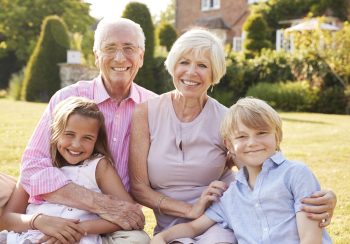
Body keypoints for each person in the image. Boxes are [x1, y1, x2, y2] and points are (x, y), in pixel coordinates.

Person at [129, 28, 337, 243]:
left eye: (202, 65)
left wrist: (325, 196)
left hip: (221, 219)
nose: (191, 72)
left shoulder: (226, 118)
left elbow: (266, 166)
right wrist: (189, 210)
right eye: (184, 62)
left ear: (214, 73)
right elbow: (139, 187)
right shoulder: (145, 112)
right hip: (176, 224)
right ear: (173, 65)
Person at [3, 17, 157, 243]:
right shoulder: (66, 99)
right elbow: (33, 166)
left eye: (129, 48)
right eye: (109, 48)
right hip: (53, 209)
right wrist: (99, 204)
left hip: (112, 220)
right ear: (96, 56)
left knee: (136, 240)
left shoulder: (154, 108)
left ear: (141, 57)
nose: (119, 57)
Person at [150, 97, 332, 244]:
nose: (252, 143)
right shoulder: (230, 195)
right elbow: (192, 228)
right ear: (229, 144)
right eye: (242, 136)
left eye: (261, 133)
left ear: (277, 136)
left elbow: (310, 239)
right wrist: (162, 237)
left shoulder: (296, 175)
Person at [7, 96, 138, 243]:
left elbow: (129, 215)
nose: (76, 145)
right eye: (69, 134)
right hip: (30, 238)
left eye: (87, 138)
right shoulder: (39, 169)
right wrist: (37, 221)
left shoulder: (99, 167)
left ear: (96, 140)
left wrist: (80, 228)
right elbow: (7, 218)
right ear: (55, 133)